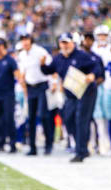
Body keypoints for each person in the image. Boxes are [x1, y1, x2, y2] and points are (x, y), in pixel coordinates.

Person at [41, 32, 98, 162]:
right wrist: (42, 65)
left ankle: (81, 151)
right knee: (68, 119)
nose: (64, 45)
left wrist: (92, 75)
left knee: (81, 120)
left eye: (66, 42)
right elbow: (49, 70)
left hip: (86, 92)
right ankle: (82, 146)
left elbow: (95, 67)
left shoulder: (81, 55)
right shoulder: (58, 58)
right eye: (62, 42)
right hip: (71, 94)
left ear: (73, 43)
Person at [18, 33, 55, 156]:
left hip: (42, 85)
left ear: (31, 40)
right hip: (30, 87)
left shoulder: (40, 51)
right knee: (31, 118)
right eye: (23, 40)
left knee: (44, 115)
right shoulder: (22, 54)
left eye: (26, 39)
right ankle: (32, 147)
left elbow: (51, 67)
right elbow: (23, 73)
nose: (25, 42)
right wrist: (25, 90)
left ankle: (48, 145)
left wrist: (54, 82)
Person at [0, 37, 22, 153]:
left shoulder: (10, 60)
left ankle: (12, 145)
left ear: (4, 46)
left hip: (8, 94)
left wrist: (22, 82)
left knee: (9, 119)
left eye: (0, 45)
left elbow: (17, 75)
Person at [81, 32, 108, 155]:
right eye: (86, 39)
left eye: (90, 39)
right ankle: (88, 144)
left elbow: (101, 75)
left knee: (97, 118)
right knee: (85, 119)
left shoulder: (96, 57)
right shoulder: (78, 56)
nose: (88, 42)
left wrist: (93, 81)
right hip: (79, 91)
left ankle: (100, 144)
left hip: (95, 90)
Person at [91, 25, 111, 155]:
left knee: (109, 116)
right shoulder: (93, 50)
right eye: (100, 35)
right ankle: (101, 143)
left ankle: (108, 143)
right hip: (97, 85)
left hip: (109, 85)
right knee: (98, 117)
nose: (102, 38)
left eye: (104, 35)